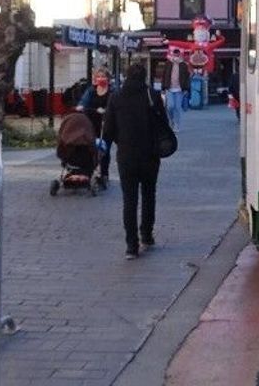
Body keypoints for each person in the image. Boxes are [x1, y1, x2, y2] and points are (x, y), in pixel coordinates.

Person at [101, 64, 163, 260]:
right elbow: (163, 124)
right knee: (149, 194)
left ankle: (131, 245)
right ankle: (147, 234)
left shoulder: (116, 97)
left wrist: (114, 145)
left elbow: (108, 130)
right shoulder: (152, 96)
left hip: (126, 155)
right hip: (150, 154)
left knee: (129, 200)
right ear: (145, 76)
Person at [76, 67, 114, 189]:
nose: (101, 79)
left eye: (103, 76)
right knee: (90, 147)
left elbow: (115, 105)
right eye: (98, 77)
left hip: (105, 124)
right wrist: (80, 106)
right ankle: (89, 171)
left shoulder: (112, 91)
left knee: (104, 148)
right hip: (91, 123)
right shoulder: (91, 91)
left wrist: (106, 110)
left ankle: (104, 173)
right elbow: (83, 102)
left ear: (108, 79)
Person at [161, 49, 190, 130]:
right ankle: (171, 120)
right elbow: (164, 75)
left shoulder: (183, 65)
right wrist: (163, 87)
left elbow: (187, 77)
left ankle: (177, 124)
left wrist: (186, 89)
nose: (176, 57)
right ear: (172, 55)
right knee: (170, 106)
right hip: (169, 88)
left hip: (179, 89)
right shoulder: (168, 64)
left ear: (180, 55)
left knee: (177, 108)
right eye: (174, 55)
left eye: (177, 55)